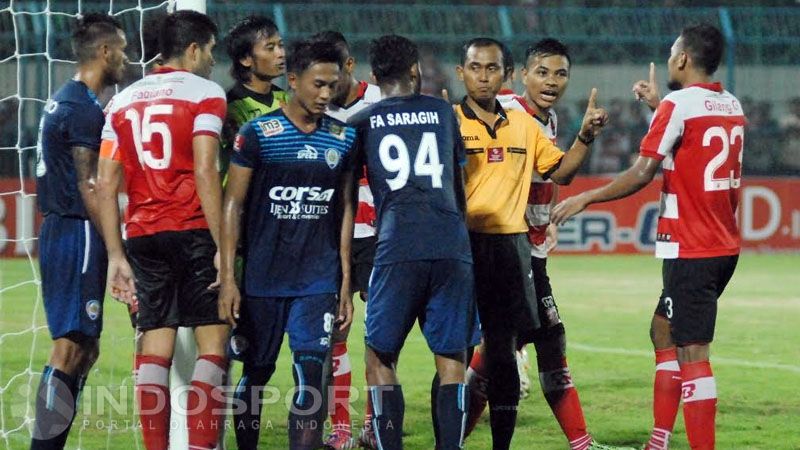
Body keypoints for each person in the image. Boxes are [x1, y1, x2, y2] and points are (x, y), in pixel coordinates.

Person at [553, 24, 745, 450]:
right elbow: (697, 143)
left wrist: (585, 198)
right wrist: (660, 106)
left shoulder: (679, 104)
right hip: (722, 244)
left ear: (682, 60)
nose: (670, 56)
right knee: (663, 331)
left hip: (693, 247)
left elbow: (643, 172)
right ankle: (658, 441)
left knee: (694, 354)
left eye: (674, 52)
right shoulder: (729, 103)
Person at [461, 38, 630, 450]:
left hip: (529, 249)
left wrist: (543, 221)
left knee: (499, 351)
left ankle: (454, 438)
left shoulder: (545, 120)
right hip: (508, 253)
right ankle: (581, 443)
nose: (551, 82)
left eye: (560, 74)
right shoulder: (509, 112)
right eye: (542, 72)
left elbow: (547, 174)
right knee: (543, 339)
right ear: (520, 75)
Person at [95, 10, 229, 450]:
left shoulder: (122, 100)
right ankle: (199, 447)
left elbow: (106, 182)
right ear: (193, 50)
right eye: (210, 51)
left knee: (154, 345)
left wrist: (116, 256)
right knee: (214, 343)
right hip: (192, 228)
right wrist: (223, 247)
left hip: (143, 236)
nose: (212, 60)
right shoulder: (206, 94)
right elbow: (206, 170)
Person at [218, 39, 356, 450]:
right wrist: (228, 276)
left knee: (312, 376)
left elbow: (345, 208)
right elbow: (233, 205)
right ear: (293, 81)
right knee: (256, 375)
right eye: (317, 85)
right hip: (262, 278)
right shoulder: (258, 134)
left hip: (317, 279)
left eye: (333, 85)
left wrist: (345, 279)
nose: (326, 94)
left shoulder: (343, 138)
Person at [349, 34, 476, 450]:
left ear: (373, 76)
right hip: (450, 244)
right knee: (452, 357)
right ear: (415, 70)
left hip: (397, 246)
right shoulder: (443, 111)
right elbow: (459, 184)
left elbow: (350, 194)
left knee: (379, 356)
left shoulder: (363, 121)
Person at [30, 13, 128, 450]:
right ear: (105, 52)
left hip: (62, 232)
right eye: (122, 49)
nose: (126, 58)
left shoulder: (63, 99)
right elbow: (91, 184)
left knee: (86, 349)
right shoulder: (84, 110)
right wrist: (117, 250)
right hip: (78, 233)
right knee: (70, 348)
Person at [310, 29, 382, 450]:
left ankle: (373, 423)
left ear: (349, 67)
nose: (325, 88)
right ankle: (339, 426)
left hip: (376, 236)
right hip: (329, 234)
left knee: (378, 334)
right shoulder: (313, 109)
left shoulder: (378, 104)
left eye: (331, 78)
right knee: (334, 334)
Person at [222, 15, 288, 175]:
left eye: (281, 45)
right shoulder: (230, 107)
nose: (281, 54)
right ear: (245, 59)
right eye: (270, 48)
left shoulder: (286, 99)